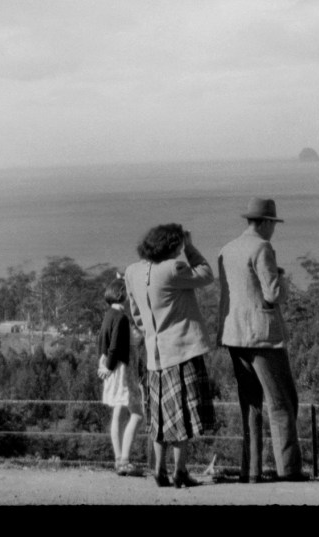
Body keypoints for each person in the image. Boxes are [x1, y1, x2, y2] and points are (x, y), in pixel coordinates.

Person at [217, 197, 307, 482]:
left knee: (250, 404)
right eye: (274, 224)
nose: (274, 230)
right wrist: (283, 278)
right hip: (262, 336)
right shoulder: (262, 247)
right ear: (267, 223)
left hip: (233, 334)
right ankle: (289, 470)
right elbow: (273, 294)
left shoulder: (227, 249)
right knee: (283, 402)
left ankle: (251, 471)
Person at [124, 223, 216, 488]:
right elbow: (206, 274)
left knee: (157, 417)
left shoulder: (132, 271)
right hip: (181, 351)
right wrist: (190, 246)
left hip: (154, 355)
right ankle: (180, 472)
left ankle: (159, 470)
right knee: (181, 416)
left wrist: (153, 333)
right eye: (177, 245)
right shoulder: (173, 269)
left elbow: (137, 314)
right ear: (171, 245)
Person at [96, 276, 144, 476]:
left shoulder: (108, 315)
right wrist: (109, 365)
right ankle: (124, 460)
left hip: (115, 370)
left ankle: (119, 459)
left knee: (117, 413)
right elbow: (115, 345)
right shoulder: (122, 318)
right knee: (137, 414)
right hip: (123, 370)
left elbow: (102, 342)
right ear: (122, 295)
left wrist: (104, 363)